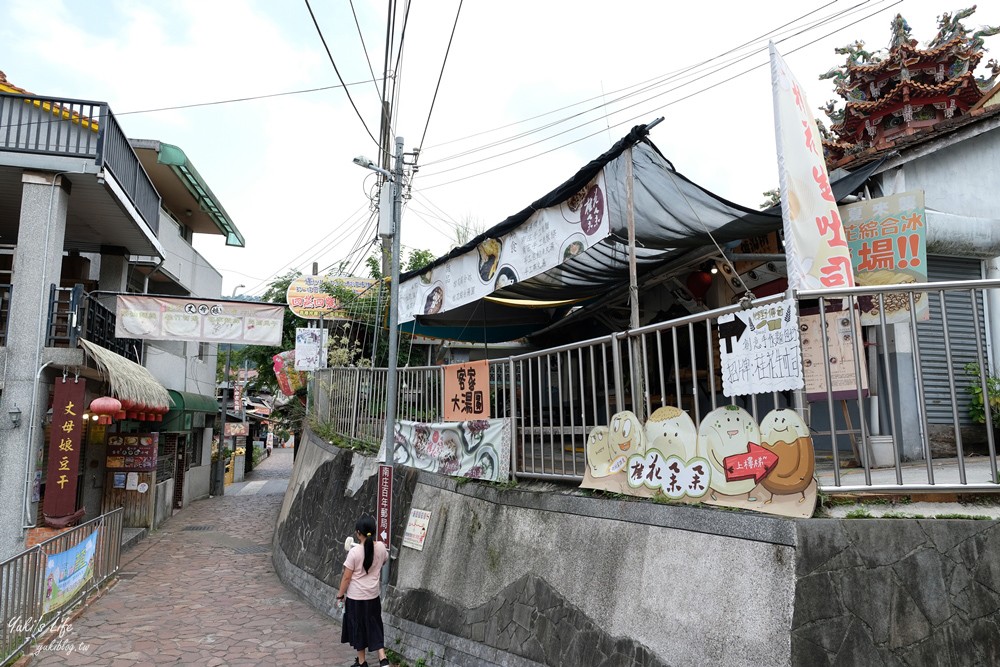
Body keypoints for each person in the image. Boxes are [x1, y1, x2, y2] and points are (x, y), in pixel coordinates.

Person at [337, 515, 390, 667]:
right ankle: (383, 659)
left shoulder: (354, 553)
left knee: (358, 627)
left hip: (356, 598)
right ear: (373, 531)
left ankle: (362, 662)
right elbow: (384, 560)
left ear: (358, 533)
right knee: (374, 625)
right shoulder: (380, 547)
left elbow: (346, 578)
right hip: (373, 596)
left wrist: (340, 595)